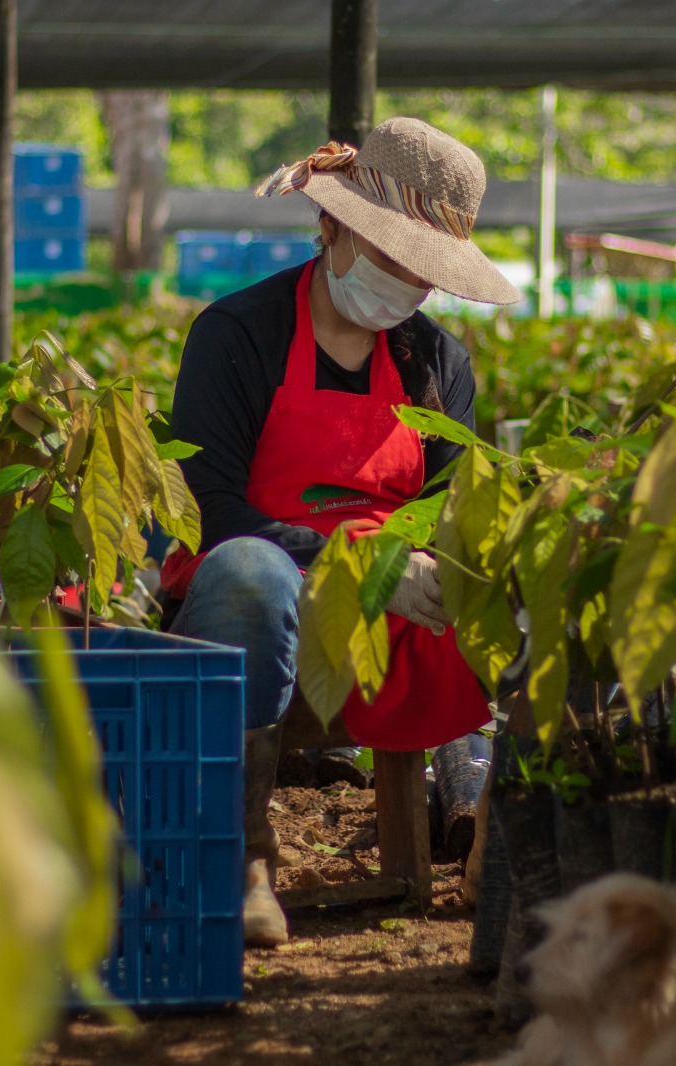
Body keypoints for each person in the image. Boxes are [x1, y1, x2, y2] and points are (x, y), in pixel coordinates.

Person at [161, 117, 521, 947]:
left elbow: (449, 506)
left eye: (423, 274)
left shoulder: (438, 364)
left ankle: (491, 835)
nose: (405, 286)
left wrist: (430, 566)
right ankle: (245, 857)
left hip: (393, 620)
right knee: (249, 570)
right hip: (263, 593)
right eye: (392, 257)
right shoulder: (238, 336)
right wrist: (351, 560)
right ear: (331, 225)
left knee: (522, 586)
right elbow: (211, 510)